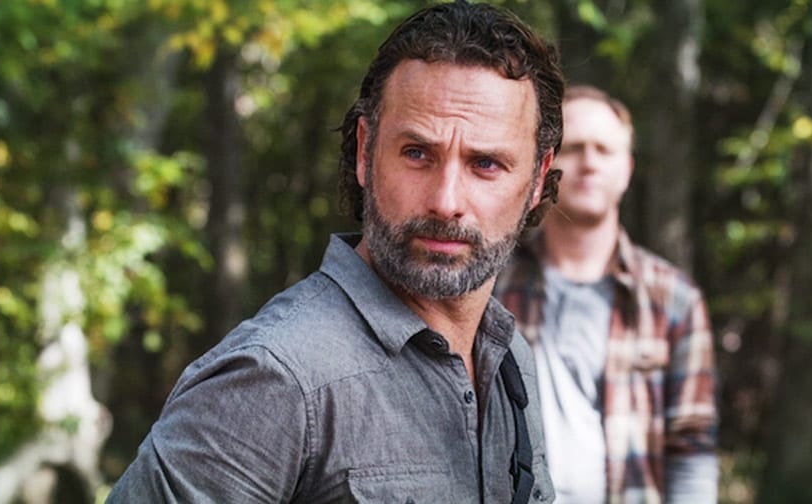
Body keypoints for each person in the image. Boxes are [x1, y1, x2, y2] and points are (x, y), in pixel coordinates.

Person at [107, 1, 565, 502]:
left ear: (537, 177)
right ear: (366, 151)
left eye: (486, 164)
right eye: (417, 153)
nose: (446, 201)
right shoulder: (276, 376)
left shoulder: (510, 359)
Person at [495, 84, 718, 504]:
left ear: (626, 169)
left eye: (604, 150)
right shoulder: (493, 282)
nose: (590, 163)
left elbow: (691, 448)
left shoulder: (674, 299)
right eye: (574, 148)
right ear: (544, 166)